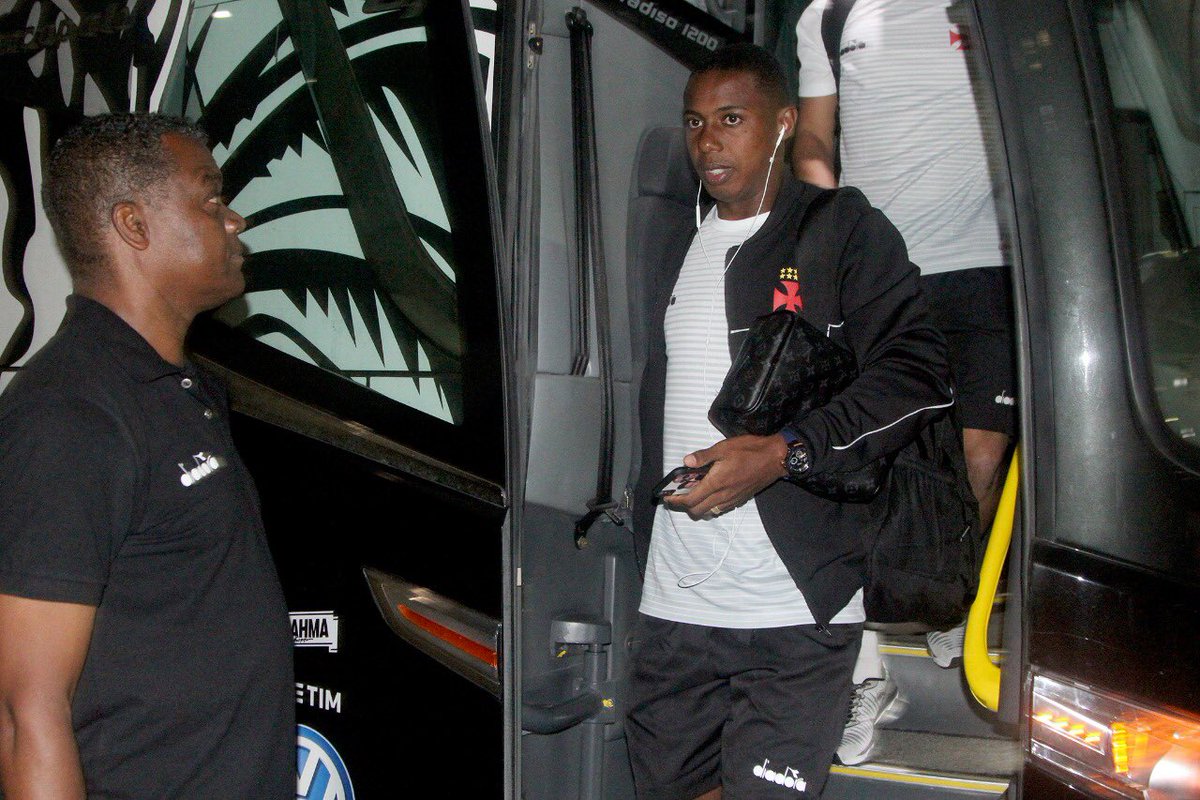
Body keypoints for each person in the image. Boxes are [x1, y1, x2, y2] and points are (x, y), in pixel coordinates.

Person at [626, 44, 950, 799]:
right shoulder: (676, 238)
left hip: (794, 606)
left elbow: (920, 371)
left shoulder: (840, 230)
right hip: (673, 601)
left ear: (783, 123)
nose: (709, 141)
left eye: (731, 119)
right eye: (696, 122)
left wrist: (784, 452)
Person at [0, 114, 294, 798]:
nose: (235, 220)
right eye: (211, 200)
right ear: (134, 225)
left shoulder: (183, 391)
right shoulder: (69, 415)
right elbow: (24, 714)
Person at [791, 0, 1017, 766]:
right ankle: (864, 673)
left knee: (978, 458)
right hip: (882, 270)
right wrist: (835, 224)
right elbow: (813, 135)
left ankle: (945, 593)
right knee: (864, 471)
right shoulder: (829, 15)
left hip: (987, 264)